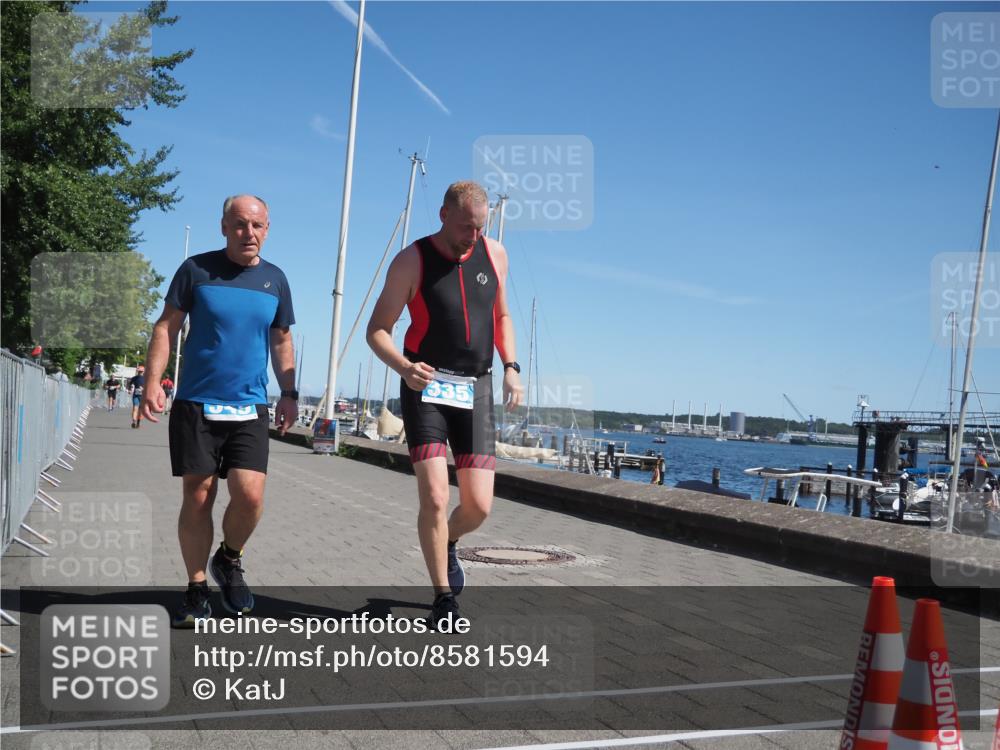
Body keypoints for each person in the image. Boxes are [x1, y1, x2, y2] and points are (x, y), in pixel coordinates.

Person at [367, 181, 523, 629]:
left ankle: (446, 541)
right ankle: (442, 598)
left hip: (476, 390)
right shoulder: (411, 260)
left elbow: (502, 315)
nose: (471, 237)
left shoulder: (495, 255)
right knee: (435, 497)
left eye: (478, 228)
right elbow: (377, 329)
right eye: (463, 228)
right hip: (427, 387)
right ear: (442, 215)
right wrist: (403, 366)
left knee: (478, 506)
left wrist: (511, 365)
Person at [140, 195, 297, 628]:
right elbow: (165, 326)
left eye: (259, 225)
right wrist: (152, 383)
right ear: (224, 226)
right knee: (199, 495)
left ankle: (228, 559)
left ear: (268, 228)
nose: (250, 233)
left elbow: (281, 339)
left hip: (250, 406)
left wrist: (289, 391)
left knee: (250, 496)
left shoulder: (275, 280)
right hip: (196, 403)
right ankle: (195, 589)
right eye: (241, 225)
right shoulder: (196, 270)